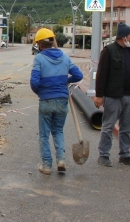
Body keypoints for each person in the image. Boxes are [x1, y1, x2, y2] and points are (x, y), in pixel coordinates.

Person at [30, 28, 83, 175]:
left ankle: (47, 165)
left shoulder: (39, 58)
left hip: (46, 100)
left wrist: (41, 92)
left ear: (40, 45)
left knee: (44, 134)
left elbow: (34, 82)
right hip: (62, 100)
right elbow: (78, 75)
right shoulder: (65, 57)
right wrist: (65, 81)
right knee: (58, 131)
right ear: (53, 42)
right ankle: (61, 160)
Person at [94, 22, 130, 168]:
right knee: (108, 126)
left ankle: (125, 155)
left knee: (126, 127)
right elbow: (102, 74)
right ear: (123, 37)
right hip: (113, 96)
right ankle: (104, 155)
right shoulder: (109, 51)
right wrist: (99, 95)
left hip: (129, 96)